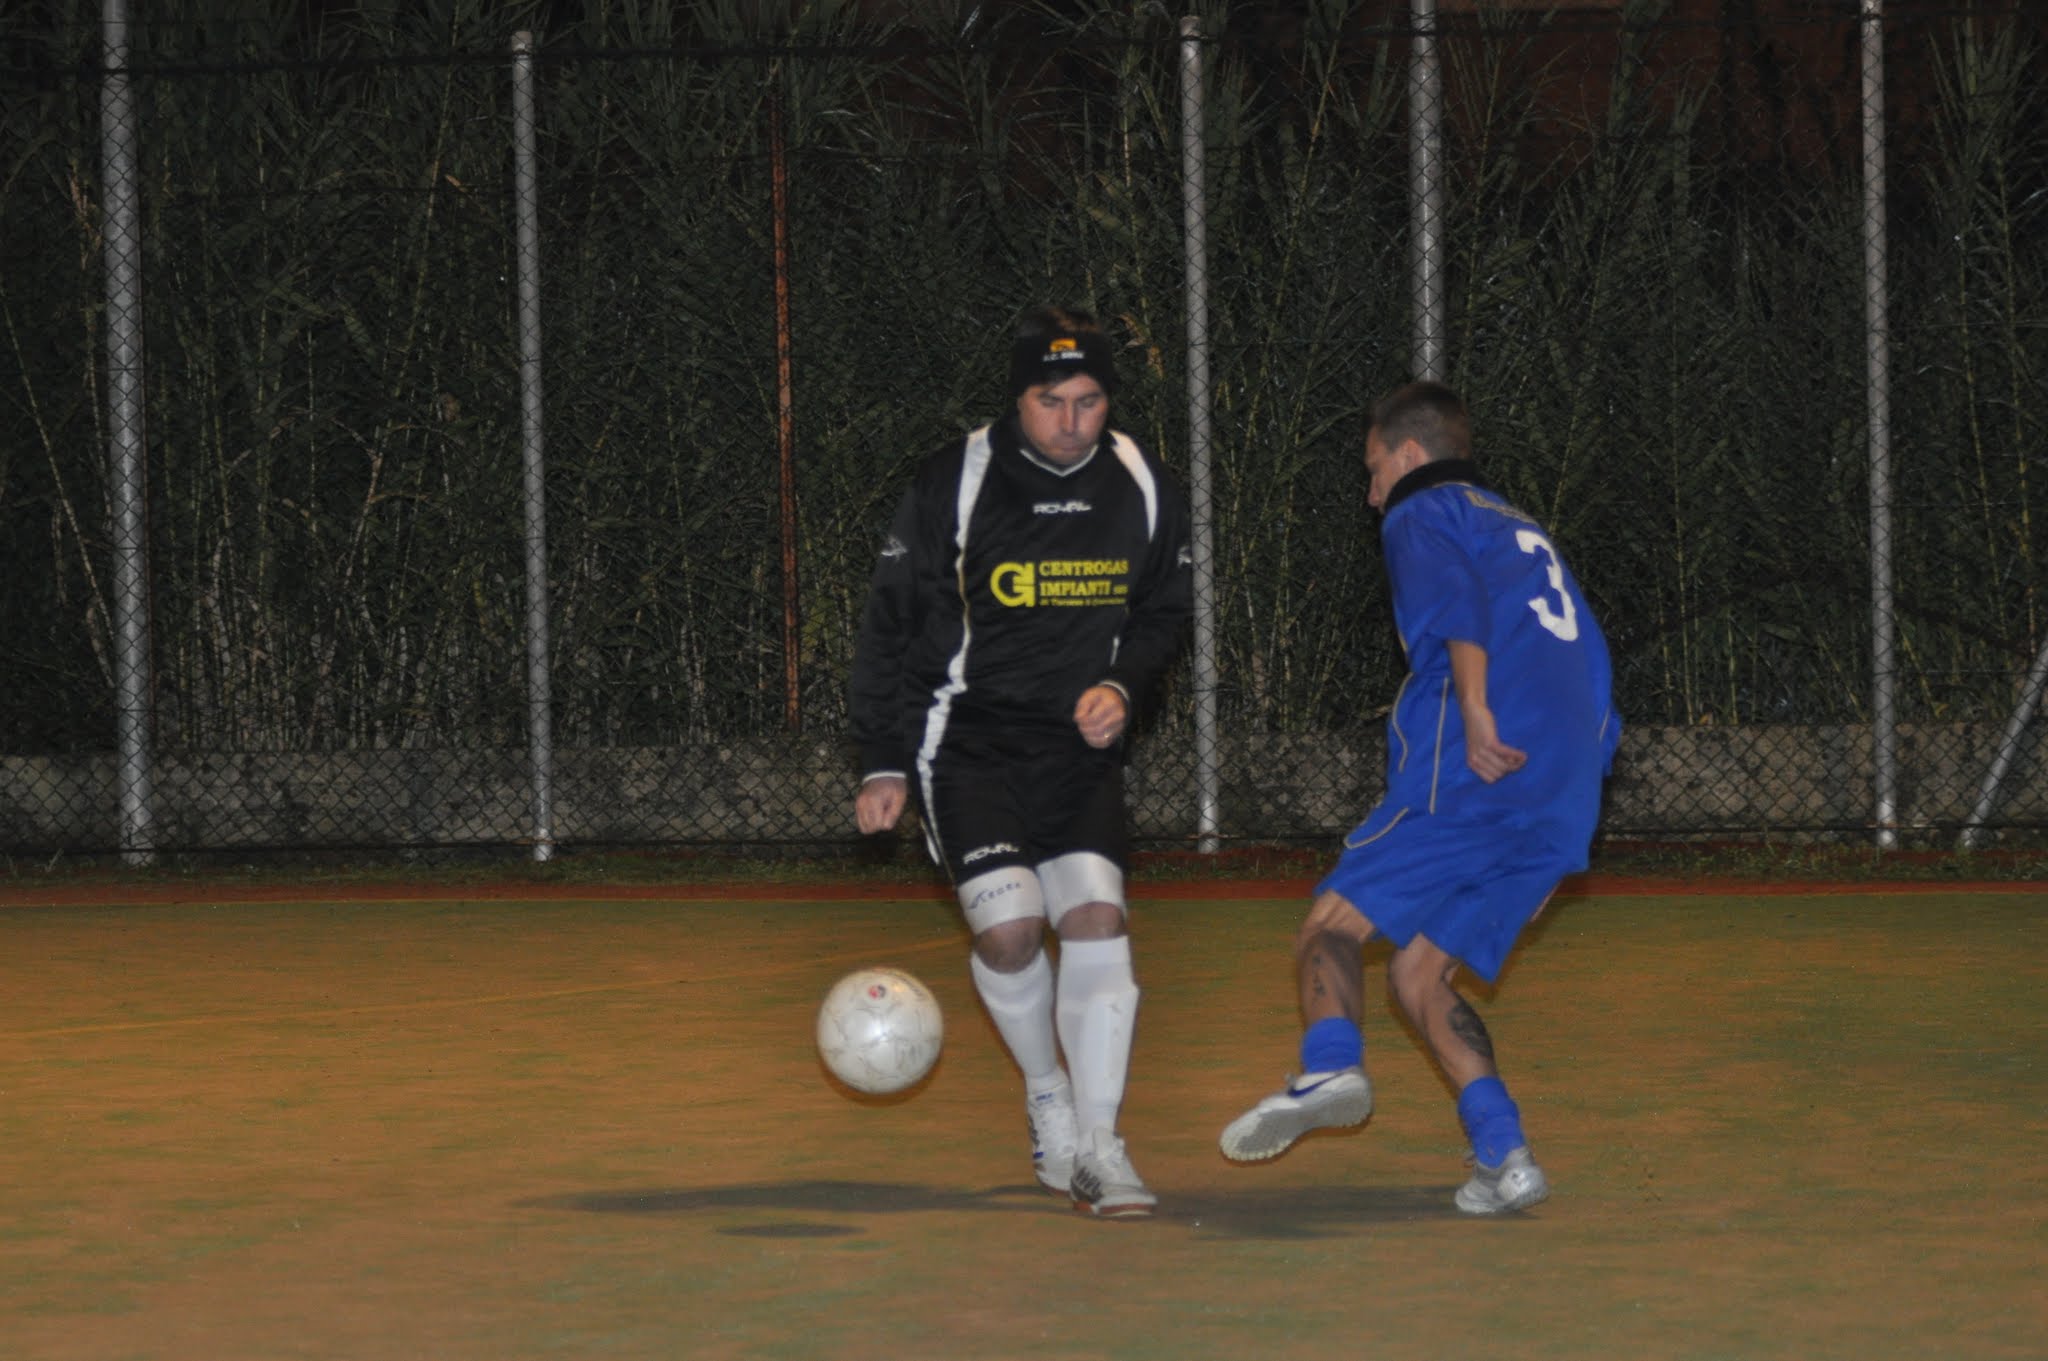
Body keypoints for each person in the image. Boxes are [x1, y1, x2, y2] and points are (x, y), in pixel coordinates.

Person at [1218, 380, 1619, 1214]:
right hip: (1567, 788)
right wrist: (1567, 807)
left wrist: (1475, 711)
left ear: (1408, 454)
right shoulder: (1518, 527)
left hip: (1479, 764)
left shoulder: (1422, 508)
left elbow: (1460, 611)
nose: (1372, 494)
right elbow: (1591, 668)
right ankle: (1506, 1155)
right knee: (1419, 971)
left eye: (1373, 470)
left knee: (1330, 925)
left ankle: (1330, 1065)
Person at [849, 305, 1193, 1218]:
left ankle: (1102, 1145)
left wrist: (1122, 685)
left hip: (1077, 748)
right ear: (1017, 400)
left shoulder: (1141, 478)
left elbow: (1164, 609)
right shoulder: (954, 480)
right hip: (967, 742)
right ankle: (1048, 1093)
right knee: (1010, 933)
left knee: (1096, 917)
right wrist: (882, 759)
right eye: (1051, 402)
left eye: (1089, 401)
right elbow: (888, 625)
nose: (1072, 422)